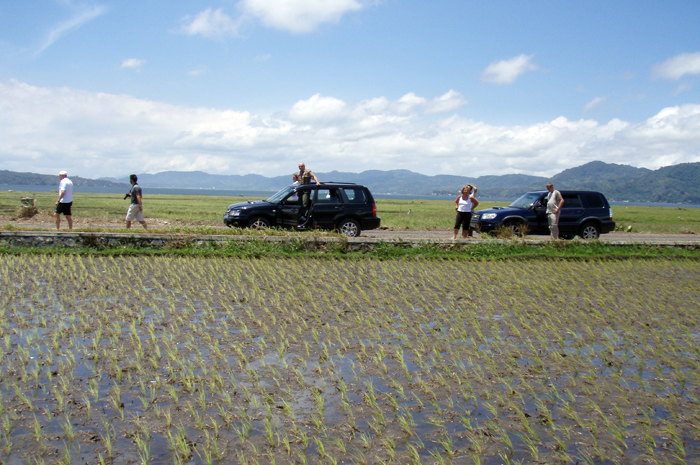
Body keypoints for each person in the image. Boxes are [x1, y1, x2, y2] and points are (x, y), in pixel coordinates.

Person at [297, 162, 320, 228]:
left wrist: (317, 182)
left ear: (304, 166)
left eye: (301, 166)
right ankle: (300, 216)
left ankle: (304, 216)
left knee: (305, 203)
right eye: (299, 166)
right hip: (300, 191)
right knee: (299, 203)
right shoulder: (299, 173)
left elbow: (313, 176)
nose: (300, 167)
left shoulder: (307, 171)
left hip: (306, 191)